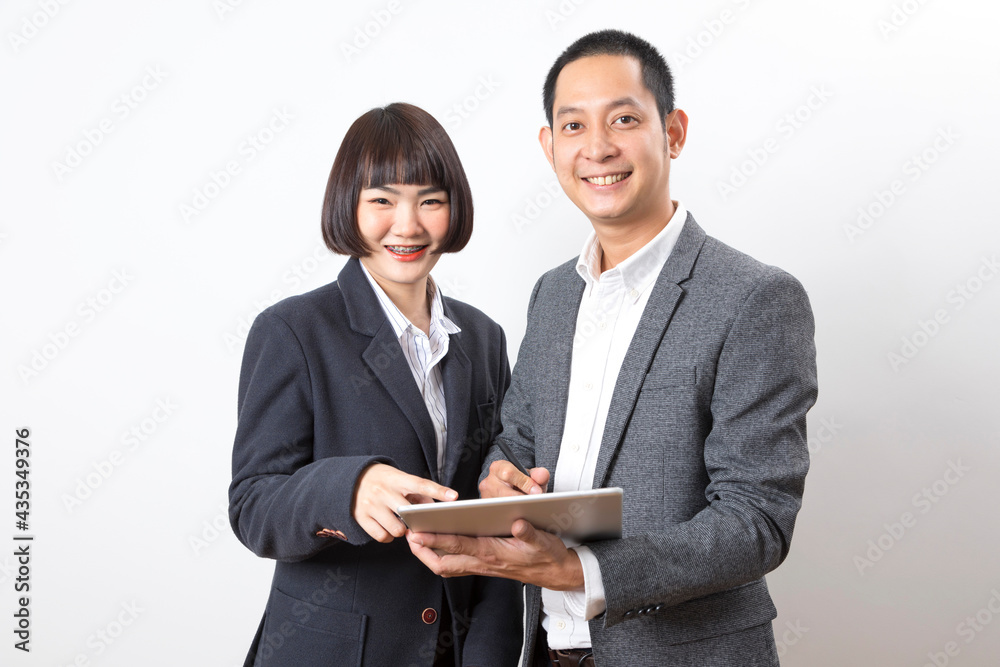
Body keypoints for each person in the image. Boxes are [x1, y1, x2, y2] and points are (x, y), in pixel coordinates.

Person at [406, 30, 818, 666]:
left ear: (673, 131)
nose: (597, 148)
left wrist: (582, 570)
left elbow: (756, 521)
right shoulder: (552, 295)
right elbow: (517, 438)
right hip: (545, 651)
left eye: (624, 118)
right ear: (550, 146)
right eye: (573, 126)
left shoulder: (755, 298)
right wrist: (499, 476)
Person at [229, 102, 521, 667]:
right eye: (382, 200)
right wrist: (349, 487)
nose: (407, 225)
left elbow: (489, 513)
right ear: (349, 206)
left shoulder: (484, 338)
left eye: (430, 201)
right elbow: (253, 505)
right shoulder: (293, 331)